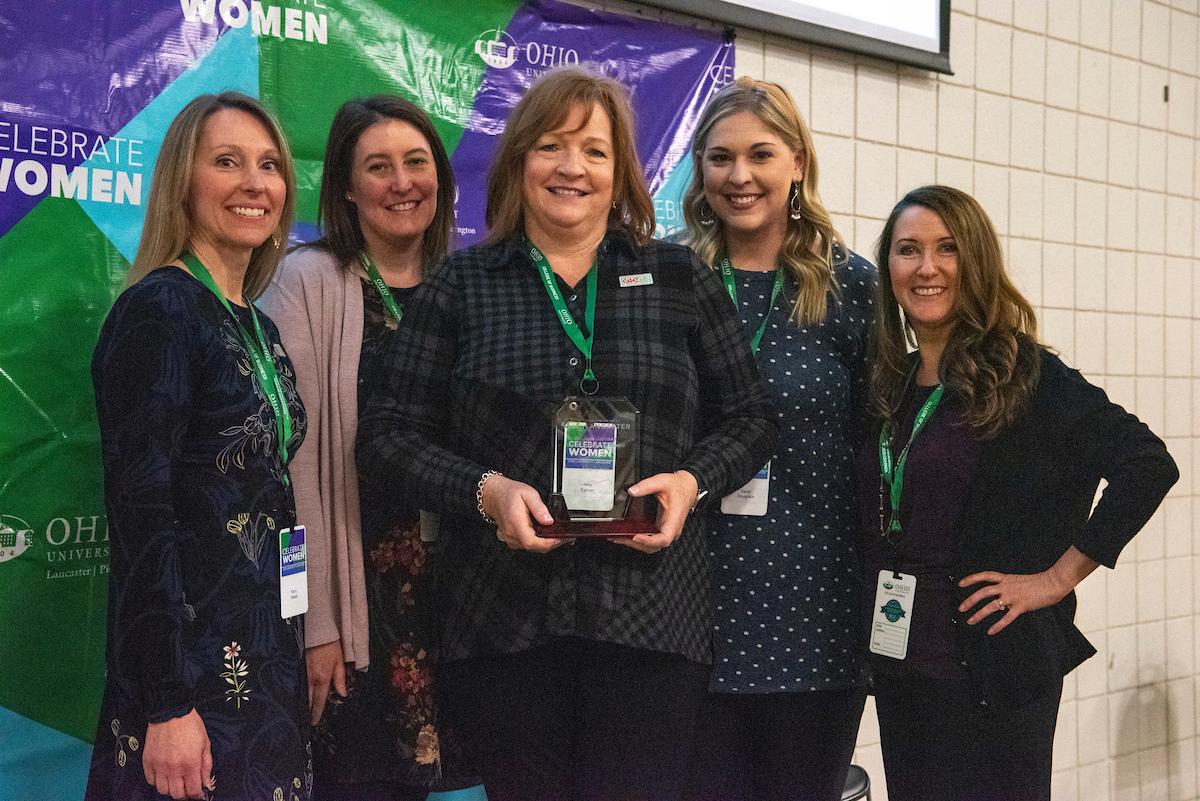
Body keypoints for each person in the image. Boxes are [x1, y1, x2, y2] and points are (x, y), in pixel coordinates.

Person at [356, 66, 778, 801]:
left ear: (621, 175)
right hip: (504, 626)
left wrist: (691, 481)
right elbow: (388, 437)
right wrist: (486, 490)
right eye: (551, 146)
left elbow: (751, 418)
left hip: (653, 622)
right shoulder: (461, 286)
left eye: (594, 149)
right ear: (520, 162)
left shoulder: (680, 278)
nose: (572, 167)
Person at [858, 185, 1178, 801]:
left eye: (947, 249)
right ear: (889, 269)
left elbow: (1147, 465)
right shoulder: (890, 386)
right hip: (902, 665)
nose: (927, 268)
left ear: (975, 263)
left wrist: (1056, 579)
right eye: (907, 250)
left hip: (993, 670)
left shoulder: (1025, 374)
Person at [85, 92, 309, 801]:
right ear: (185, 181)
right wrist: (166, 704)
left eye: (269, 164)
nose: (254, 181)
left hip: (264, 661)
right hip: (189, 679)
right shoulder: (161, 308)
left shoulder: (256, 324)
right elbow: (141, 518)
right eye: (227, 161)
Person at [258, 95, 468, 800]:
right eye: (378, 167)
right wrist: (313, 621)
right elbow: (289, 468)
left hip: (458, 601)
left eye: (416, 162)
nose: (402, 182)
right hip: (357, 610)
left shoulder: (465, 285)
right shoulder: (306, 280)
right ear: (347, 187)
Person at [678, 77, 874, 801]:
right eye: (721, 157)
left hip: (814, 617)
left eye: (760, 154)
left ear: (797, 162)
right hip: (686, 616)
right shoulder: (668, 277)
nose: (740, 176)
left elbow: (883, 445)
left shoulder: (849, 287)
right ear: (700, 168)